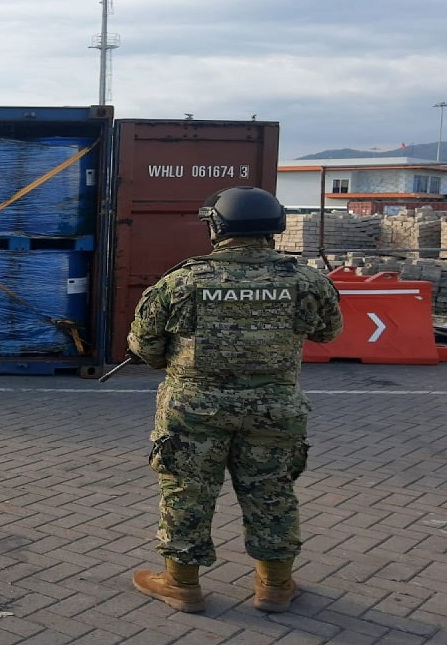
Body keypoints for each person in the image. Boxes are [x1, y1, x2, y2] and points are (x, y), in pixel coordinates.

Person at [127, 186, 342, 614]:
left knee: (186, 493)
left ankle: (182, 584)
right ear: (275, 228)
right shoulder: (305, 280)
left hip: (192, 411)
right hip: (273, 410)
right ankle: (275, 586)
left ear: (217, 227)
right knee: (272, 493)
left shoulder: (182, 280)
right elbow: (327, 332)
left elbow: (145, 348)